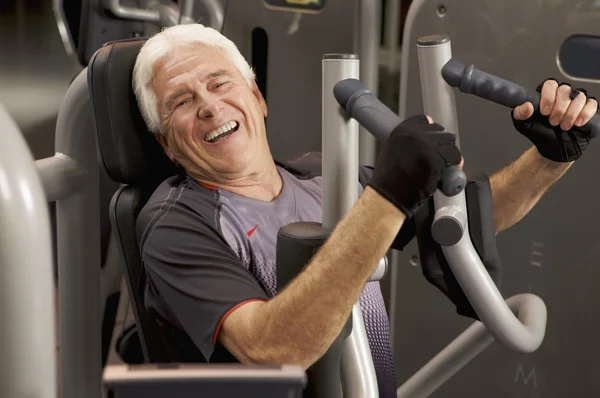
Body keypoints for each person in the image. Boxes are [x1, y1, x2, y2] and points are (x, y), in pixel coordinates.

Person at [132, 24, 597, 397]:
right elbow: (271, 348)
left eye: (219, 84)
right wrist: (389, 195)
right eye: (183, 102)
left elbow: (457, 224)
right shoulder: (174, 223)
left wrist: (549, 157)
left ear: (257, 97)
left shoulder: (320, 177)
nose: (211, 107)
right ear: (165, 143)